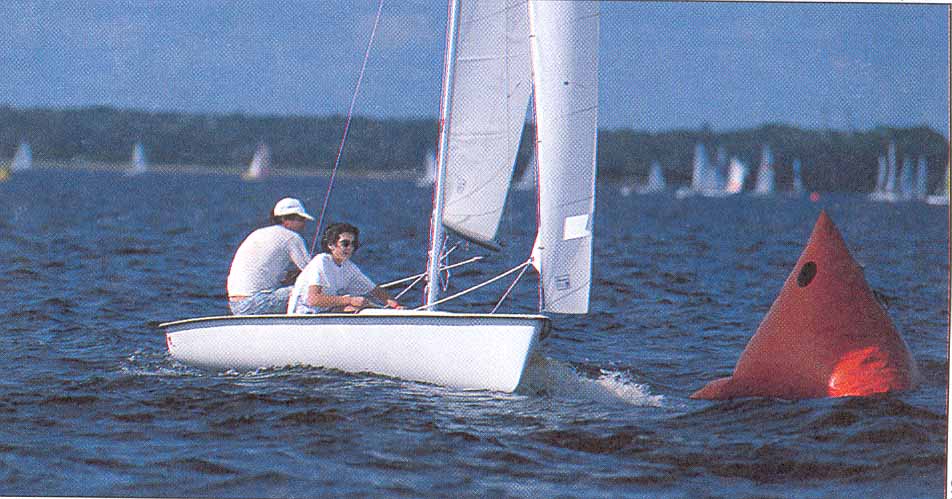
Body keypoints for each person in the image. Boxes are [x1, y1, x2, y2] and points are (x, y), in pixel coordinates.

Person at [288, 222, 401, 314]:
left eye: (353, 244)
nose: (350, 248)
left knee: (362, 309)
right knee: (355, 309)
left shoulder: (348, 266)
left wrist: (396, 306)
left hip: (324, 313)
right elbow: (313, 299)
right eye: (345, 244)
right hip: (304, 315)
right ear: (331, 245)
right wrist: (349, 300)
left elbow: (375, 291)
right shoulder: (321, 261)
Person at [226, 197, 314, 315]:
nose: (304, 224)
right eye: (301, 219)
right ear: (285, 219)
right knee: (308, 292)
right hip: (257, 304)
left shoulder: (258, 233)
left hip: (236, 306)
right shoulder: (292, 237)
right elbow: (313, 273)